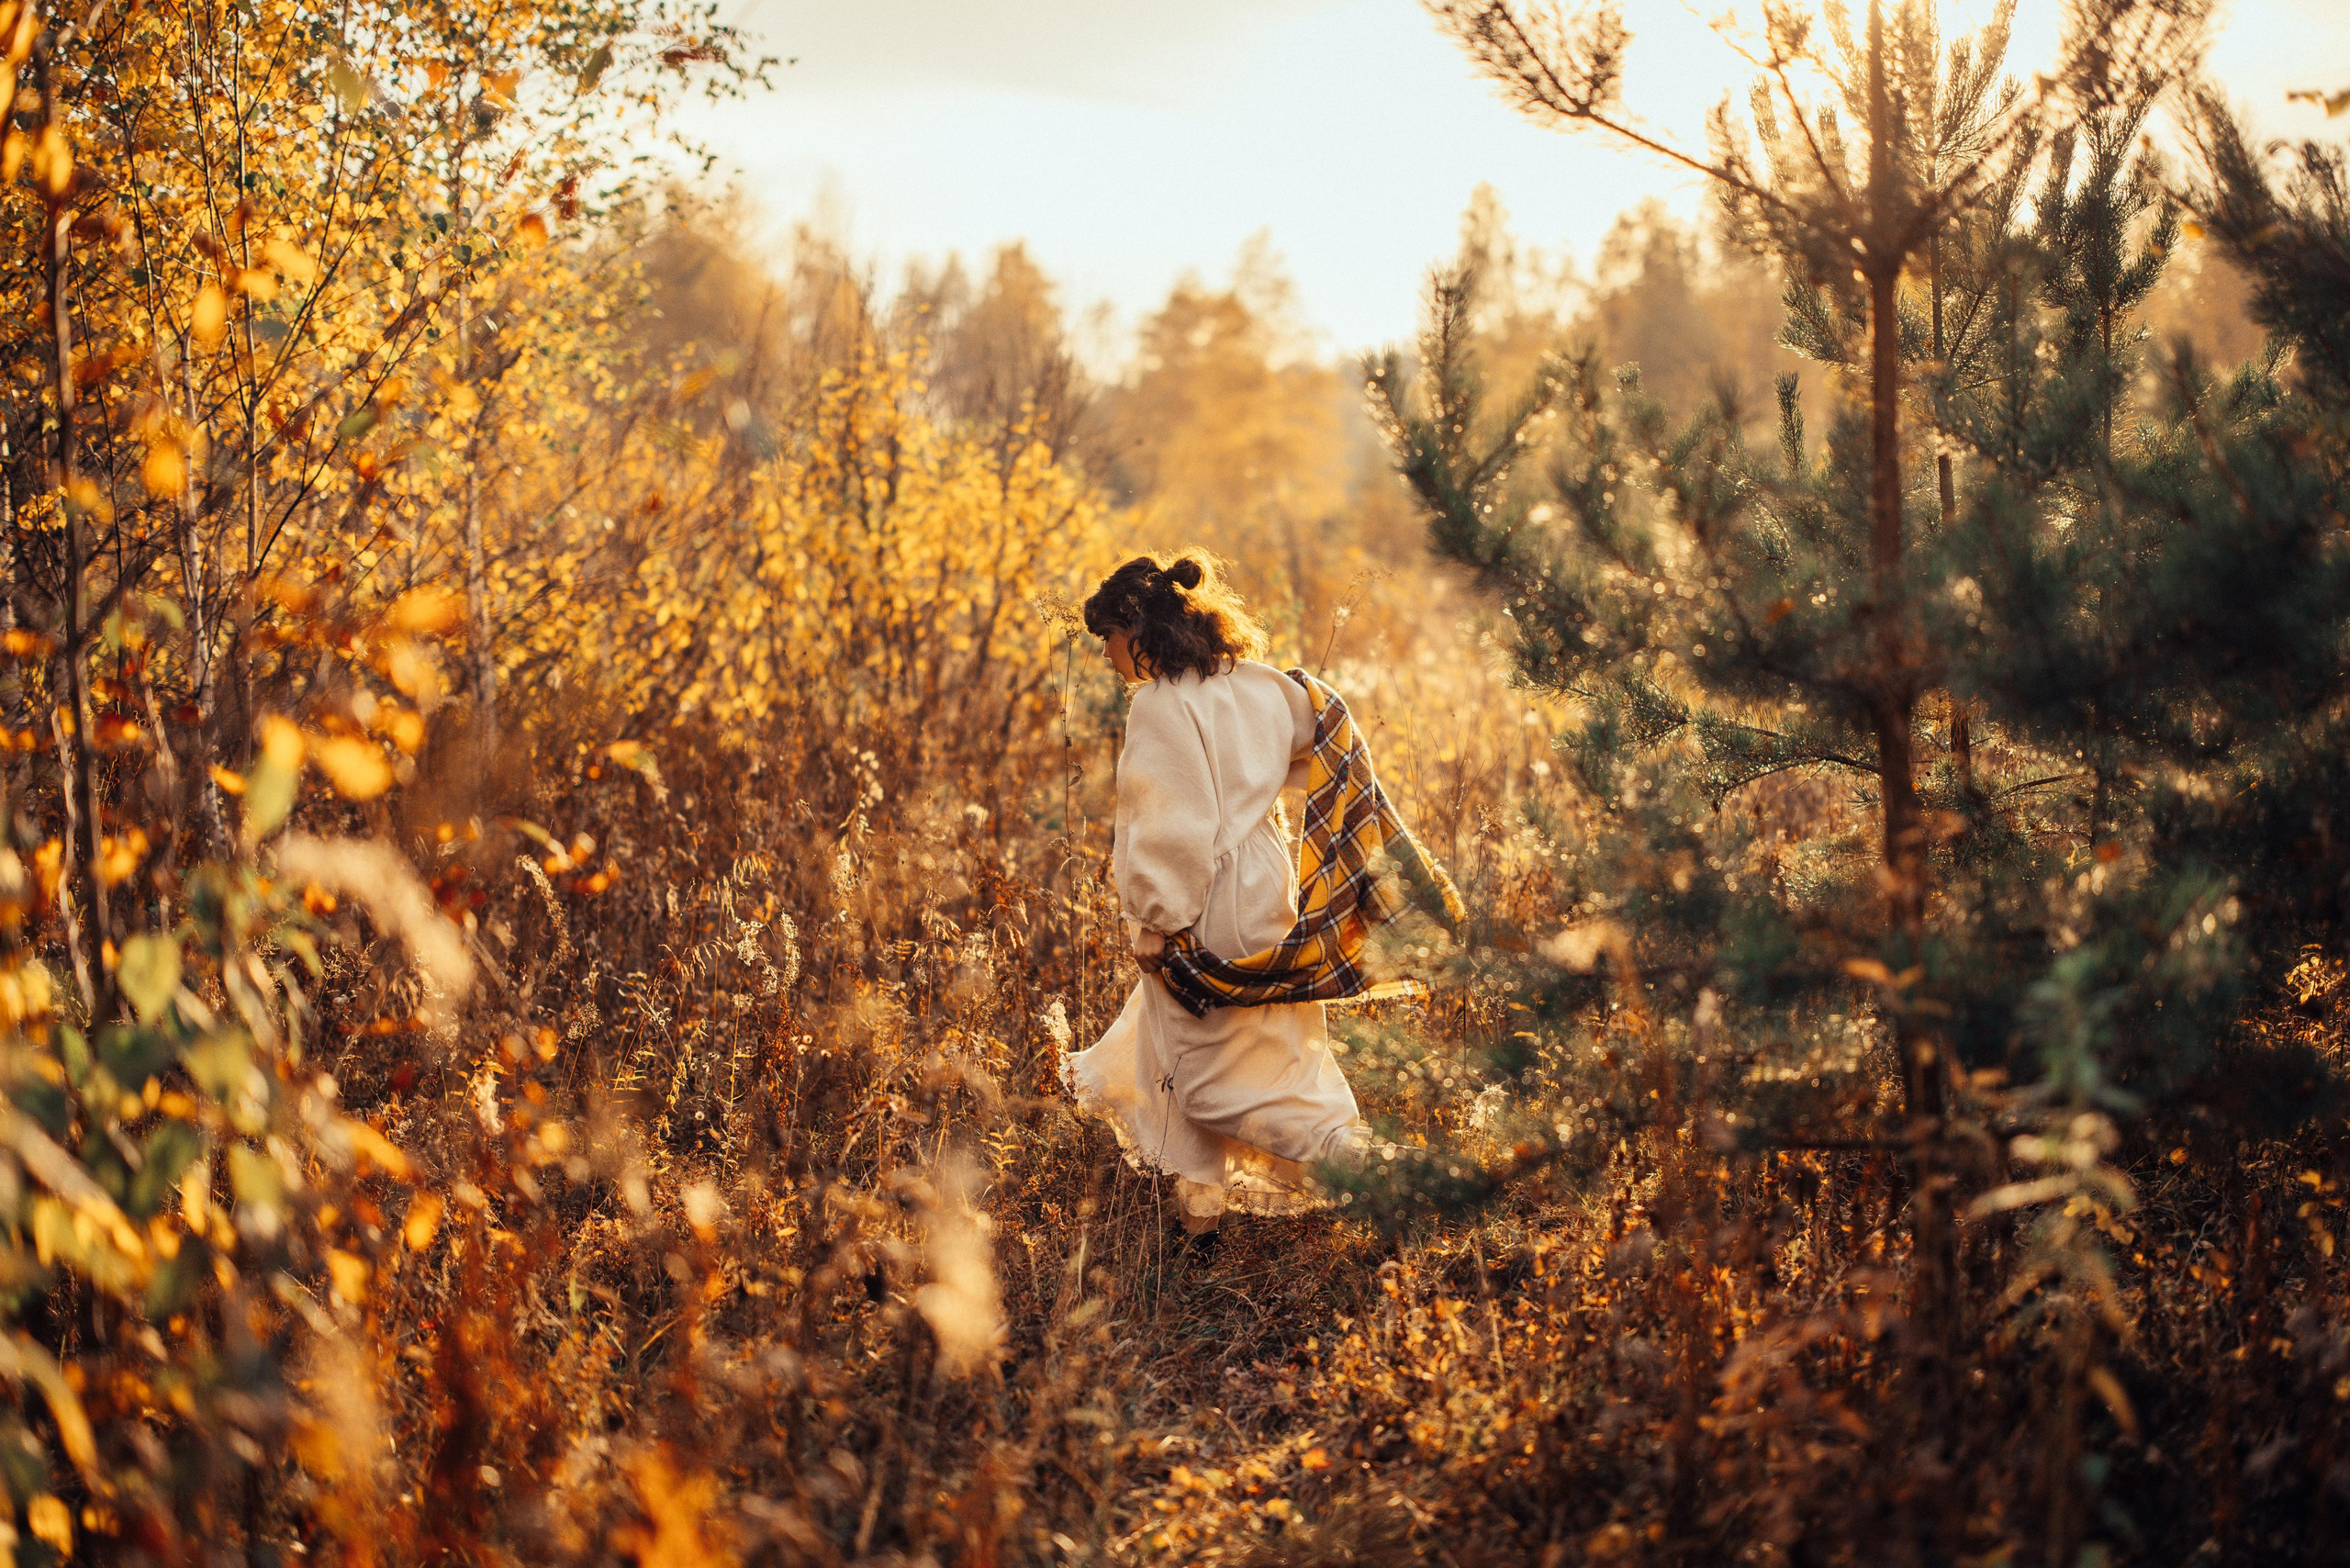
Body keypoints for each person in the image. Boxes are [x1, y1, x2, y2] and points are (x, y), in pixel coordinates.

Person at [1058, 550, 1456, 1243]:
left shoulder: (1159, 704)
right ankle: (1198, 1225)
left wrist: (1153, 918)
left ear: (1137, 630)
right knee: (1199, 1048)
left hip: (1208, 897)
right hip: (1267, 882)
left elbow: (1170, 822)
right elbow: (1324, 723)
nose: (1105, 656)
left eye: (1108, 639)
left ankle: (1371, 1167)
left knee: (1216, 1078)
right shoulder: (1261, 685)